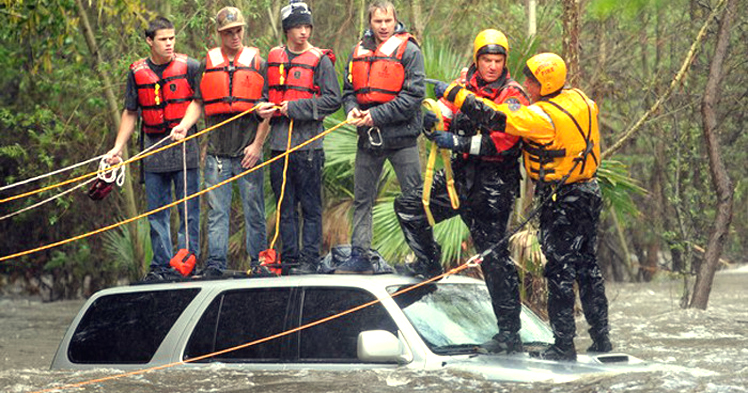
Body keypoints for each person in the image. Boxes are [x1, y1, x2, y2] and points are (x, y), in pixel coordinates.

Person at [437, 52, 611, 361]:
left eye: (531, 80)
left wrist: (454, 95)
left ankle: (563, 346)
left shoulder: (543, 116)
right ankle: (602, 340)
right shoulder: (581, 99)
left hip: (564, 199)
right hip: (590, 193)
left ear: (545, 83)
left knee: (559, 269)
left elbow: (497, 117)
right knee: (588, 267)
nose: (526, 84)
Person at [394, 29, 529, 354]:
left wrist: (459, 142)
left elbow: (506, 141)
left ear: (504, 62)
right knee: (410, 207)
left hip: (493, 183)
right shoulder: (463, 84)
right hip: (459, 176)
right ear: (477, 59)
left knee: (494, 258)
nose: (492, 66)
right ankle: (429, 264)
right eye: (487, 60)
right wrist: (433, 119)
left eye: (497, 61)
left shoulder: (514, 95)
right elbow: (446, 109)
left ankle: (510, 334)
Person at [171, 7, 269, 277]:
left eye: (238, 30)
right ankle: (215, 263)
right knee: (216, 212)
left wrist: (257, 146)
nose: (235, 36)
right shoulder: (207, 63)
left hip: (248, 151)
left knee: (254, 209)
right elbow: (198, 103)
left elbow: (268, 112)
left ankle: (258, 262)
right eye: (229, 32)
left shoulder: (259, 63)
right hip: (216, 154)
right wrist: (183, 126)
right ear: (220, 34)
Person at [106, 17, 200, 281]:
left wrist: (183, 125)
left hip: (184, 145)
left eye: (172, 38)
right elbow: (130, 112)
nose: (169, 43)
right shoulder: (136, 71)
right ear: (150, 40)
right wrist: (117, 148)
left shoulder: (190, 66)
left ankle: (187, 263)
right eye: (163, 39)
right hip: (153, 146)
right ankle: (160, 266)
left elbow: (198, 102)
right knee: (157, 212)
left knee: (188, 211)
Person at [336, 0, 425, 274]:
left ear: (395, 20)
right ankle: (360, 255)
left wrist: (376, 115)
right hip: (369, 139)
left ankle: (424, 256)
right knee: (363, 198)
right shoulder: (358, 51)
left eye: (387, 21)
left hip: (402, 137)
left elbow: (413, 96)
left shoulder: (409, 50)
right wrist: (352, 110)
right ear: (370, 22)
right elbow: (349, 90)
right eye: (378, 21)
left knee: (414, 198)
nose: (383, 27)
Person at [256, 0, 341, 274]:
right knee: (285, 206)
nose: (303, 32)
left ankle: (310, 259)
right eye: (297, 27)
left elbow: (333, 100)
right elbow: (264, 95)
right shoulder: (273, 57)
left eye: (307, 26)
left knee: (311, 206)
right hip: (279, 147)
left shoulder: (321, 60)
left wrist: (297, 108)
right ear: (287, 30)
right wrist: (261, 107)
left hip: (309, 147)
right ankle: (290, 258)